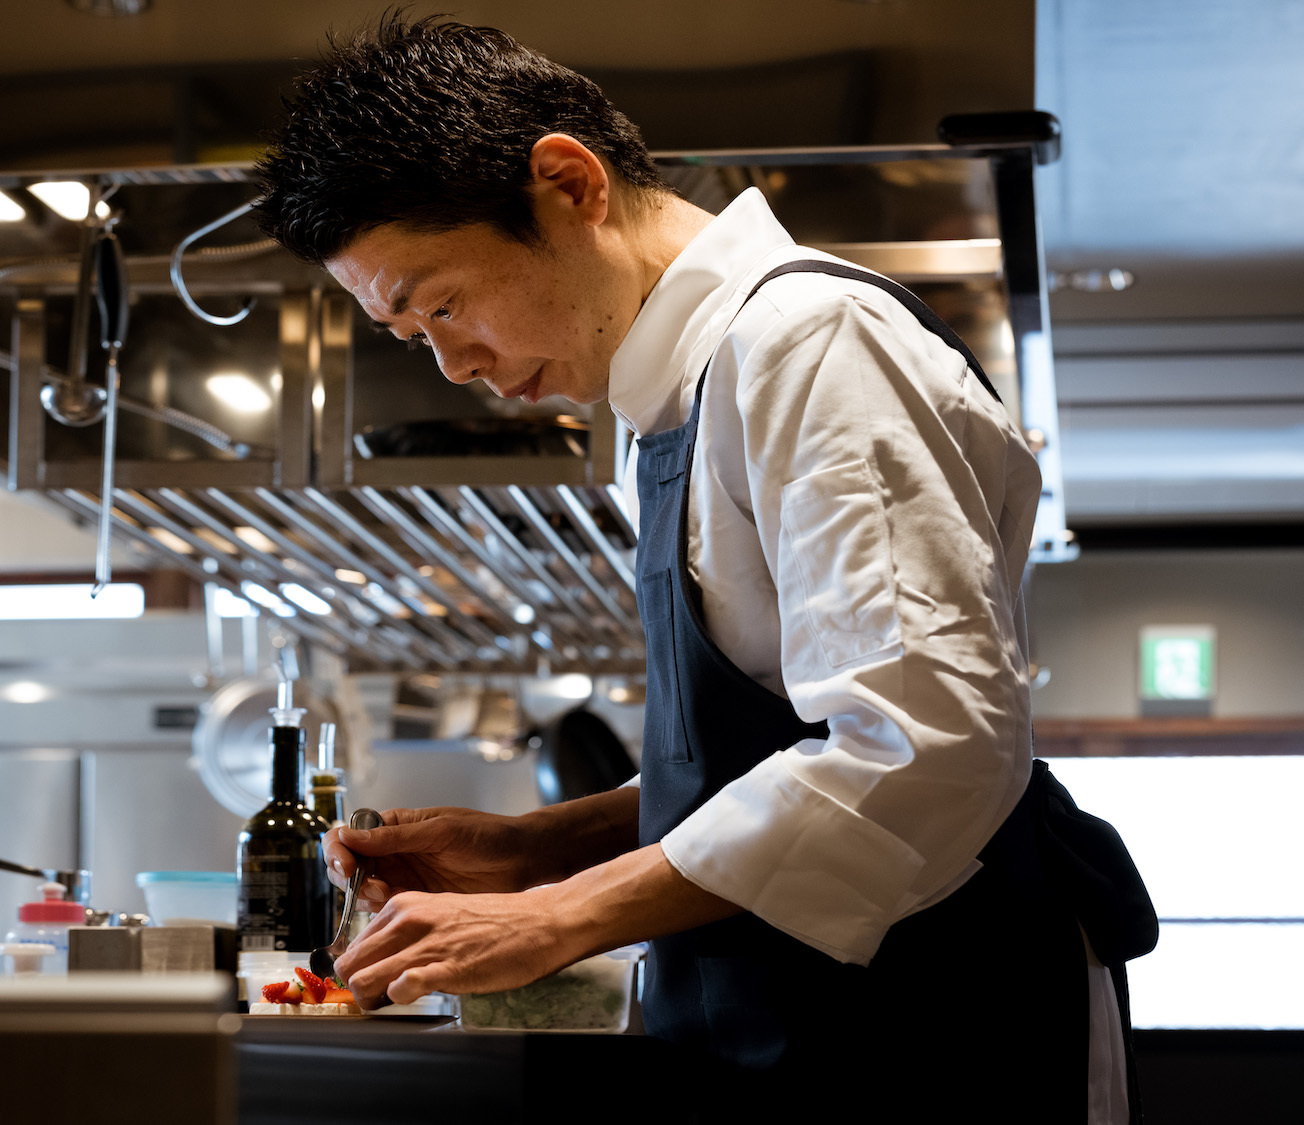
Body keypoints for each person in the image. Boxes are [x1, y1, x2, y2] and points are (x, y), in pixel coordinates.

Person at [254, 15, 1155, 1123]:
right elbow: (771, 745)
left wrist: (559, 914)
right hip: (789, 1017)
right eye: (412, 337)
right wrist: (533, 846)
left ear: (566, 185)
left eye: (441, 303)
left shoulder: (810, 346)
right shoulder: (670, 402)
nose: (455, 363)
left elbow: (920, 747)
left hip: (929, 1022)